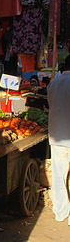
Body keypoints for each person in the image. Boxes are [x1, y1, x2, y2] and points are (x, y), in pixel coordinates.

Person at [47, 55, 70, 225]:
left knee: (59, 175)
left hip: (57, 135)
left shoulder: (55, 82)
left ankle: (60, 212)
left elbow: (50, 103)